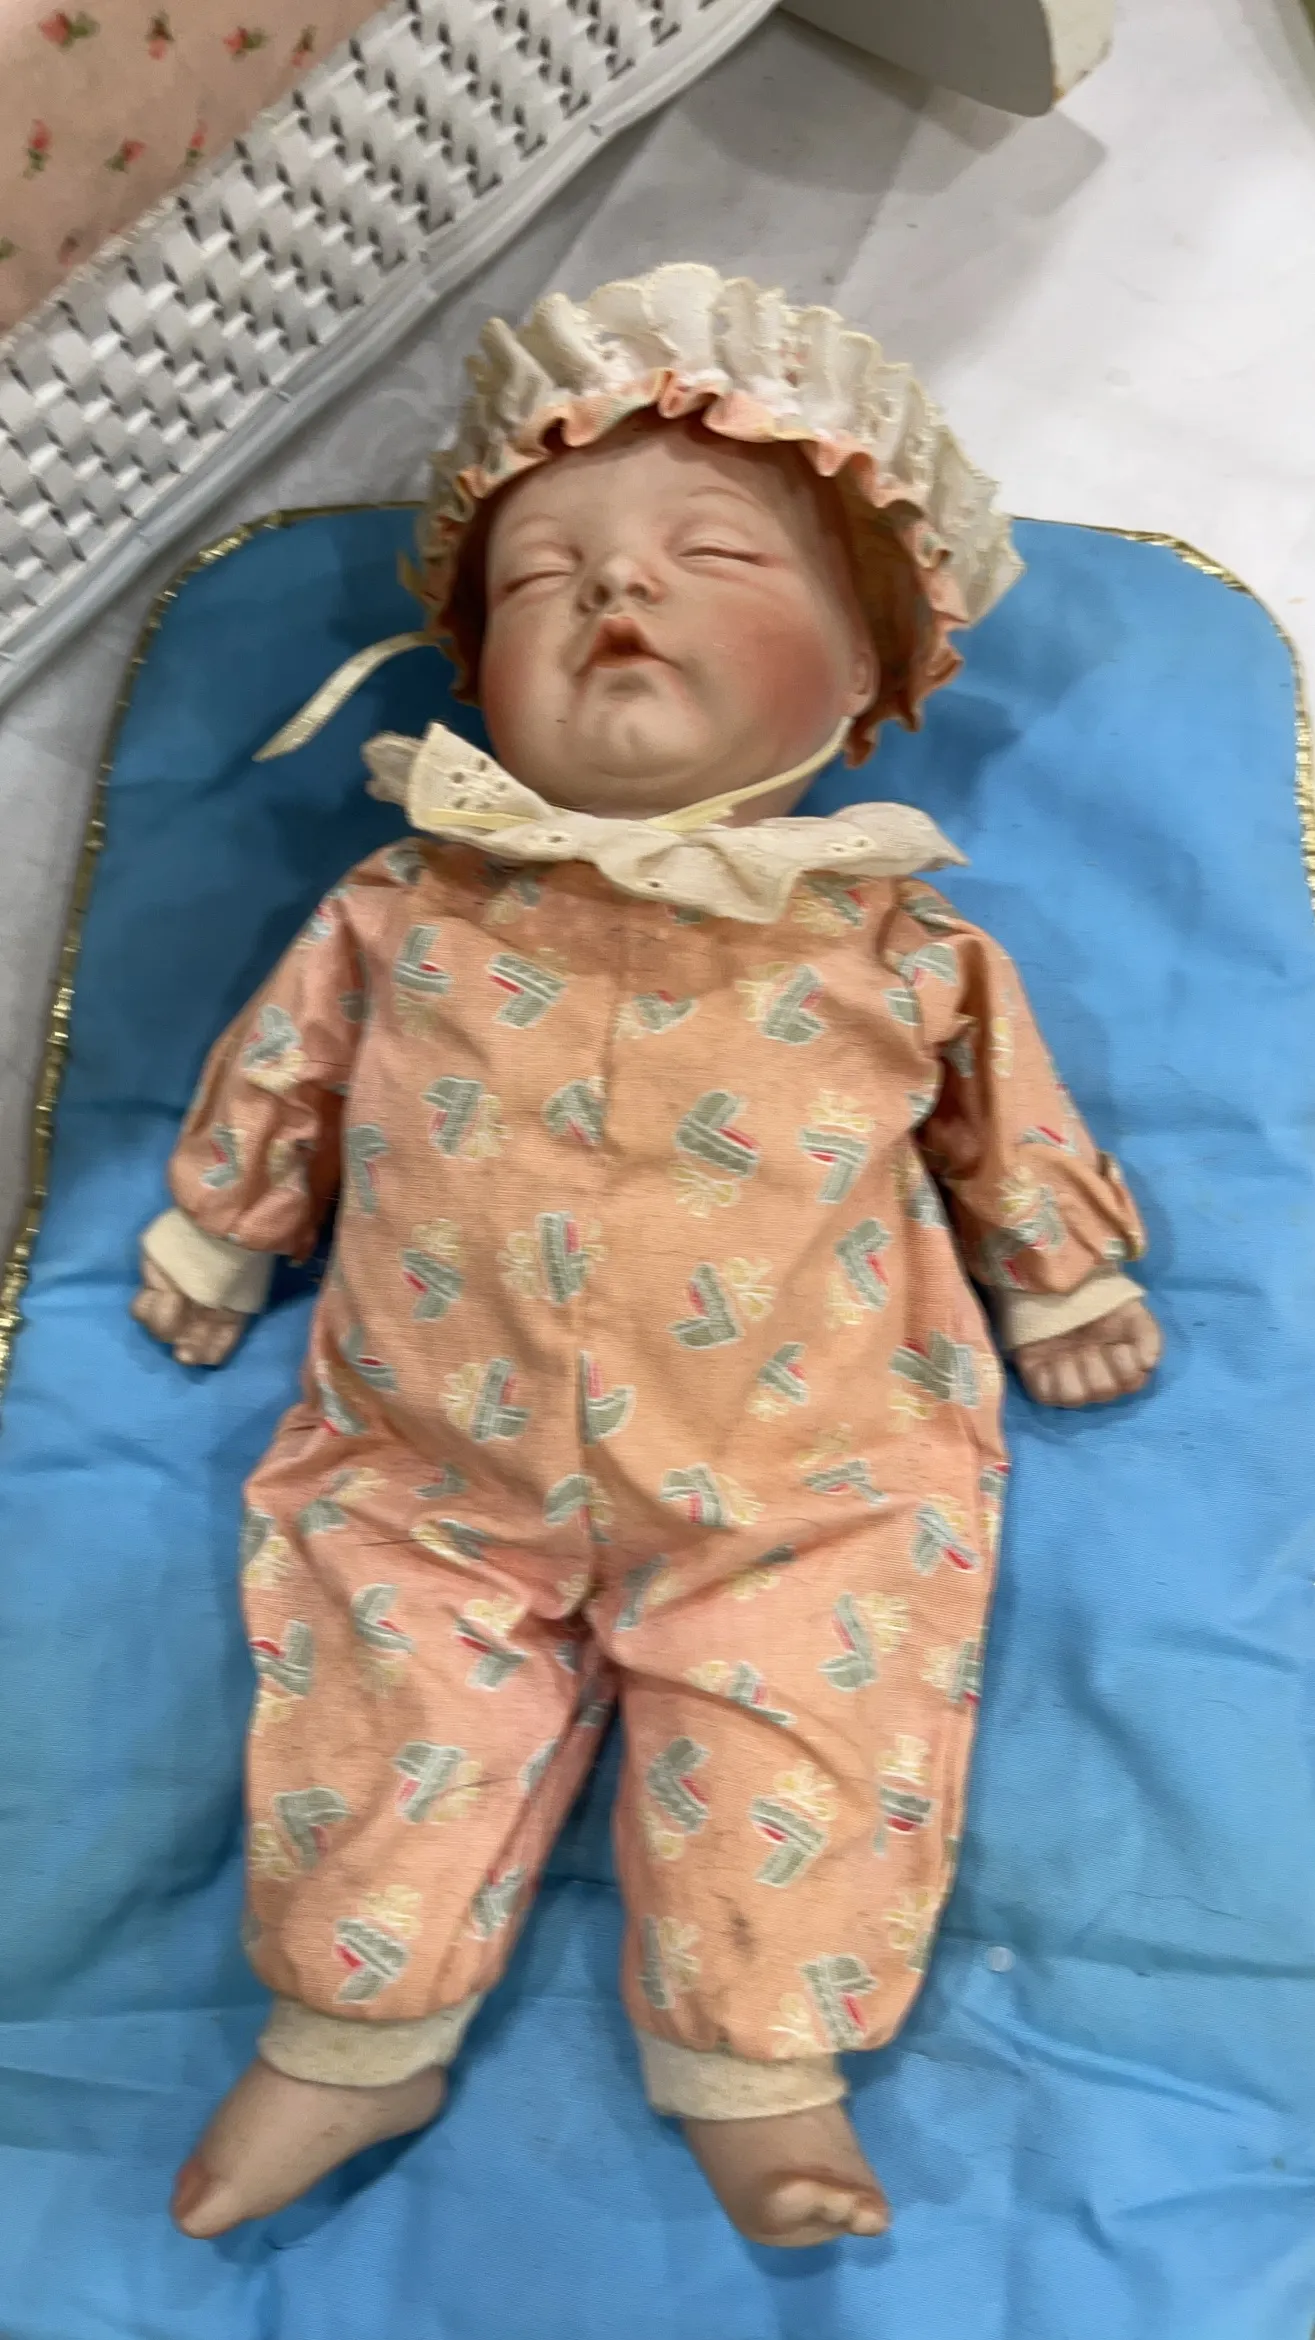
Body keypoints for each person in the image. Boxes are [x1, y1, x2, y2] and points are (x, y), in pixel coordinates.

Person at [134, 265, 1161, 2246]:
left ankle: (759, 2073)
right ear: (471, 667)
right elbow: (289, 1062)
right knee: (381, 1708)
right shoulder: (402, 907)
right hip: (429, 1466)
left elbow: (1000, 1116)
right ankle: (349, 2037)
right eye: (541, 577)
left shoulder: (890, 943)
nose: (618, 587)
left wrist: (1060, 1274)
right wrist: (224, 1220)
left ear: (865, 674)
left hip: (801, 1481)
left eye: (714, 554)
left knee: (803, 1738)